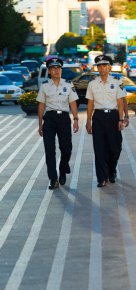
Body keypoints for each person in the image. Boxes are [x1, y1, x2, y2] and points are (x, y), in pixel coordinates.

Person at [37, 57, 79, 190]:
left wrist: (76, 119)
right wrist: (40, 125)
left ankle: (63, 168)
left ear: (61, 69)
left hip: (64, 119)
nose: (56, 70)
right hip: (49, 119)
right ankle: (53, 179)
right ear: (49, 71)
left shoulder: (68, 84)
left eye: (58, 68)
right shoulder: (44, 85)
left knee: (66, 149)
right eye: (53, 68)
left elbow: (72, 102)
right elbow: (41, 105)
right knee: (49, 150)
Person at [85, 54, 126, 188]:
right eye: (99, 66)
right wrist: (88, 121)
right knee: (99, 149)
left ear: (109, 67)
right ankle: (102, 178)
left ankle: (111, 170)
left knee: (115, 148)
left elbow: (120, 102)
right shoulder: (92, 84)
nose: (102, 68)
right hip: (98, 118)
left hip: (113, 117)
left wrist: (121, 118)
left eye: (104, 66)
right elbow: (90, 103)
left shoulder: (117, 82)